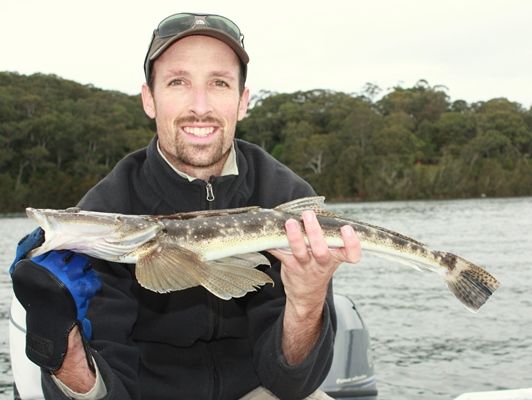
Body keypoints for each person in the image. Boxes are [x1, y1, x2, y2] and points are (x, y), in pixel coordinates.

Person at [10, 12, 361, 400]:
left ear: (242, 102)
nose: (200, 105)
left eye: (219, 83)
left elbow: (292, 383)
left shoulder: (282, 195)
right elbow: (109, 391)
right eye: (178, 82)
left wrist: (307, 302)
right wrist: (58, 336)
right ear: (149, 99)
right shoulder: (110, 206)